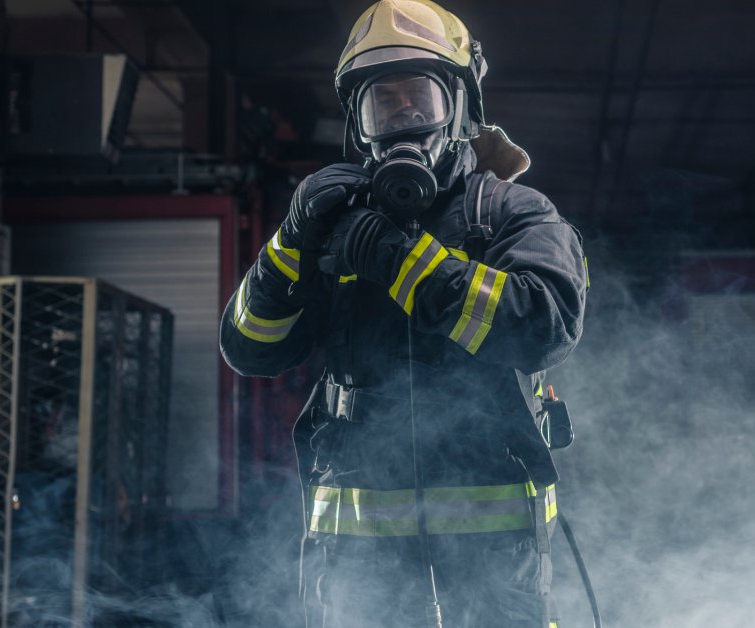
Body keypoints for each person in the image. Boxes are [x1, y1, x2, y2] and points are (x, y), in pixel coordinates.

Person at [219, 1, 588, 626]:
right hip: (360, 561)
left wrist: (400, 259)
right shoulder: (330, 228)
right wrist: (294, 238)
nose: (405, 118)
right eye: (382, 104)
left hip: (493, 558)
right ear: (359, 124)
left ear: (461, 107)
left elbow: (543, 327)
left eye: (422, 97)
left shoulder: (511, 214)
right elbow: (251, 347)